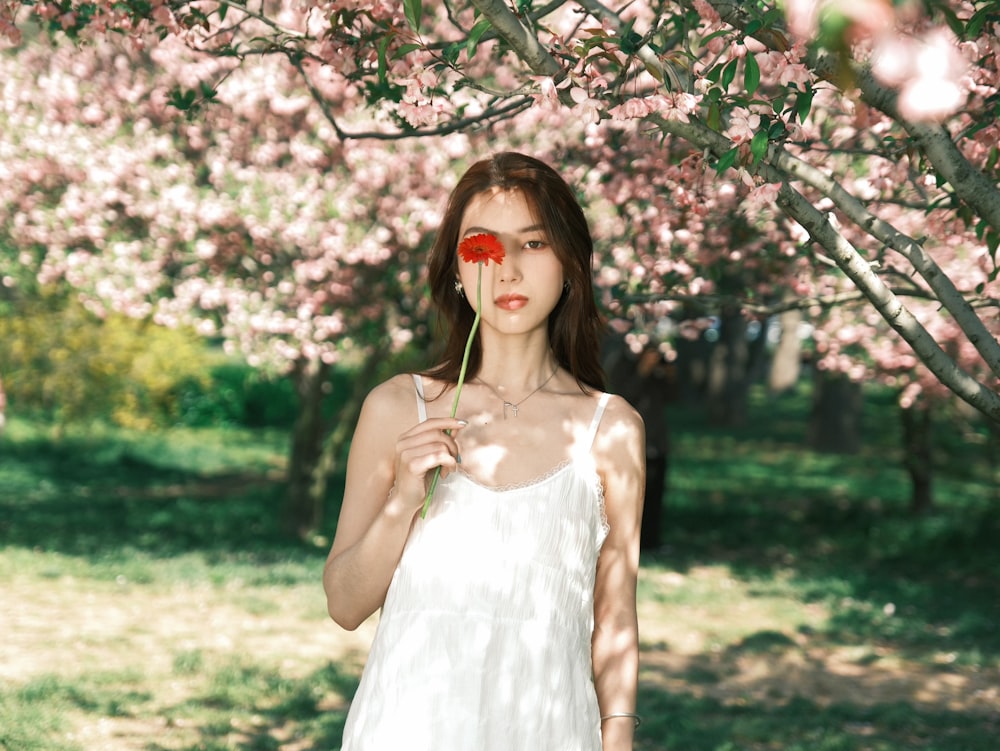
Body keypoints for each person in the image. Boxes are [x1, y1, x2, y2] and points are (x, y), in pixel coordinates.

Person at [323, 152, 645, 751]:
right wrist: (402, 500)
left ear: (570, 264)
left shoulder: (613, 428)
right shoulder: (399, 408)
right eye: (484, 247)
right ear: (455, 269)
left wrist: (617, 737)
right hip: (408, 726)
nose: (507, 271)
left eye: (533, 244)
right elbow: (344, 604)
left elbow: (616, 611)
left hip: (548, 728)